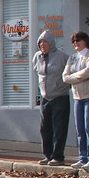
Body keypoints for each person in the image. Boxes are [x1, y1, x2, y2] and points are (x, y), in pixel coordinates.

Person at [63, 30, 89, 170]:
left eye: (78, 40)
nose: (76, 43)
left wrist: (73, 78)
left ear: (85, 40)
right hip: (78, 96)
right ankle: (83, 158)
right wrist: (77, 78)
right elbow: (65, 76)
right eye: (74, 41)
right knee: (80, 129)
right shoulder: (73, 57)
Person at [31, 30, 70, 166]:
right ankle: (47, 155)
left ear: (51, 43)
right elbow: (38, 73)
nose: (42, 44)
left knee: (59, 128)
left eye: (45, 41)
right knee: (45, 128)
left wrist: (63, 86)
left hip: (60, 96)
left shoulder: (62, 56)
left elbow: (69, 74)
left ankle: (58, 156)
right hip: (45, 97)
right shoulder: (37, 57)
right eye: (40, 42)